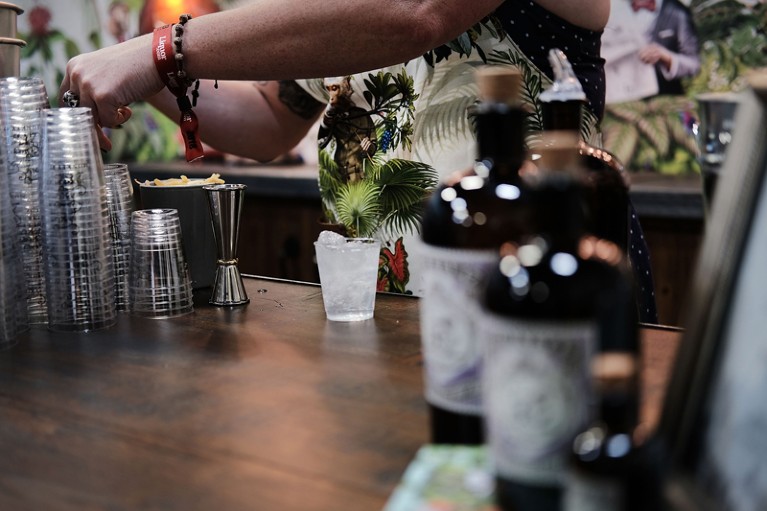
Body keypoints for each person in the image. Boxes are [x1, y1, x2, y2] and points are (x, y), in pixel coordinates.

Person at [61, 1, 653, 306]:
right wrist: (135, 71)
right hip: (393, 307)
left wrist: (161, 51)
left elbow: (416, 14)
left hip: (545, 292)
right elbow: (268, 120)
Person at [603, 0, 700, 103]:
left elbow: (694, 64)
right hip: (618, 101)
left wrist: (666, 57)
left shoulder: (677, 12)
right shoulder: (611, 8)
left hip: (665, 101)